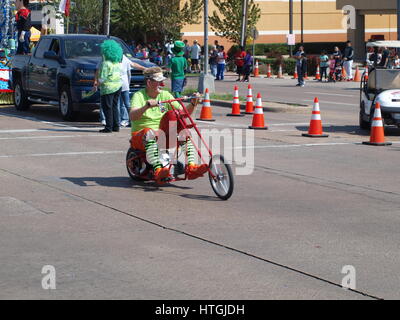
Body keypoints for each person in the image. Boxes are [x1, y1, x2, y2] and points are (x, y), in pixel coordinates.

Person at [129, 67, 207, 183]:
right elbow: (132, 116)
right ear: (149, 82)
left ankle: (191, 167)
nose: (163, 84)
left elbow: (183, 113)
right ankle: (158, 170)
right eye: (159, 81)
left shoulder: (165, 95)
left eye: (163, 81)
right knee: (149, 132)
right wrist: (146, 106)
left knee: (184, 131)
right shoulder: (139, 96)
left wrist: (193, 103)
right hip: (141, 136)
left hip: (161, 134)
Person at [94, 40, 123, 133]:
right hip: (118, 86)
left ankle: (108, 127)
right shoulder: (117, 63)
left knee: (107, 108)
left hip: (108, 88)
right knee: (114, 107)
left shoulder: (106, 63)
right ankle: (116, 126)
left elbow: (102, 77)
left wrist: (97, 84)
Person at [119, 55, 147, 127]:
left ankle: (127, 120)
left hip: (118, 85)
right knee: (125, 104)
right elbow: (133, 64)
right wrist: (144, 68)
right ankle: (126, 120)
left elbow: (133, 64)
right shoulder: (123, 57)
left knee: (122, 104)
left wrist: (144, 68)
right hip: (123, 85)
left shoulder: (122, 58)